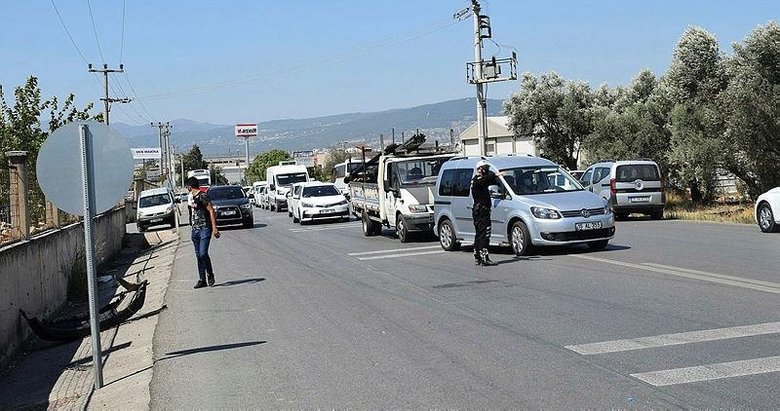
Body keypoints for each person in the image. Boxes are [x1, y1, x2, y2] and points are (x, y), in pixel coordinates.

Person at [185, 177, 220, 288]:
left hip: (205, 228)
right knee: (198, 256)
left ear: (189, 186)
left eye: (187, 187)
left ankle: (209, 273)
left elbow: (211, 210)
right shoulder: (191, 197)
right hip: (195, 230)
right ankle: (202, 279)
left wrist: (214, 227)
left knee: (203, 253)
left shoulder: (203, 196)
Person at [470, 160, 505, 266]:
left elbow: (489, 181)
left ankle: (478, 256)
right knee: (485, 234)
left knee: (479, 234)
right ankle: (484, 257)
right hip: (482, 212)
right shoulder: (478, 180)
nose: (486, 170)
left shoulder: (477, 180)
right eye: (485, 168)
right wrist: (496, 174)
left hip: (479, 211)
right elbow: (485, 180)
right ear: (479, 169)